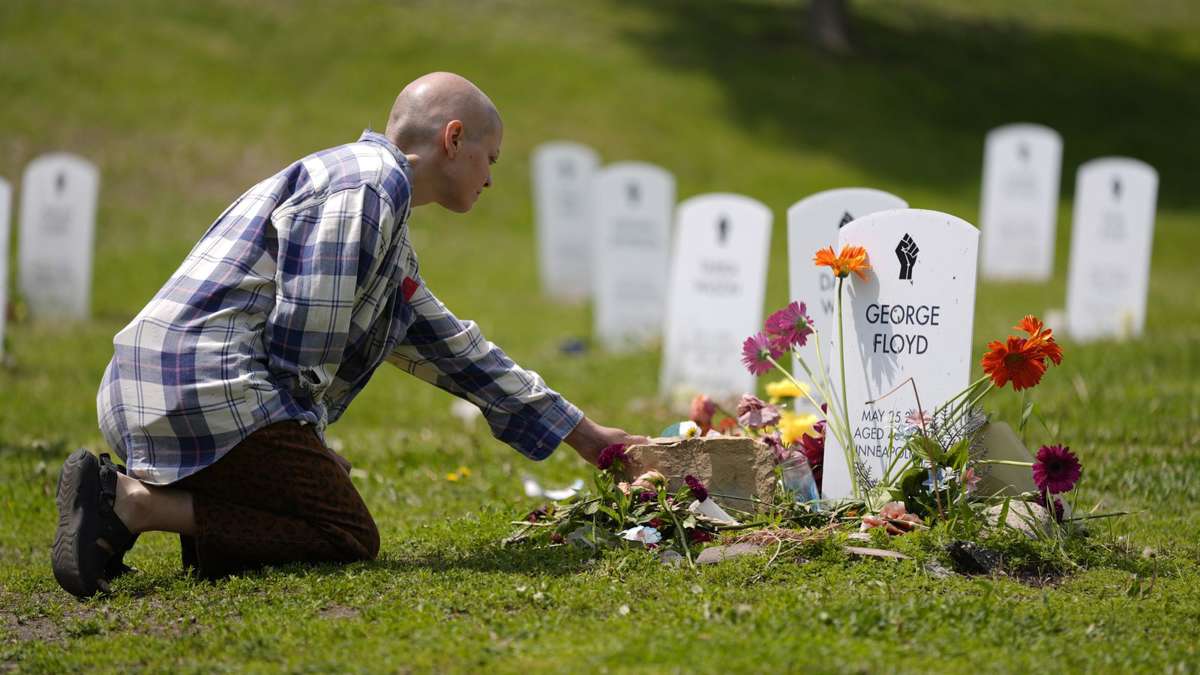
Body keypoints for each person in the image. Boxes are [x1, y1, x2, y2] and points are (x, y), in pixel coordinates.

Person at [52, 72, 646, 598]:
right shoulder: (367, 188)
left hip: (150, 389)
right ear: (453, 138)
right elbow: (303, 334)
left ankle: (128, 520)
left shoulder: (371, 204)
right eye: (491, 158)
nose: (491, 178)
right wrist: (310, 442)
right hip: (204, 389)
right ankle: (129, 504)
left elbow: (456, 351)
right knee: (346, 532)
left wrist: (588, 437)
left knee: (318, 494)